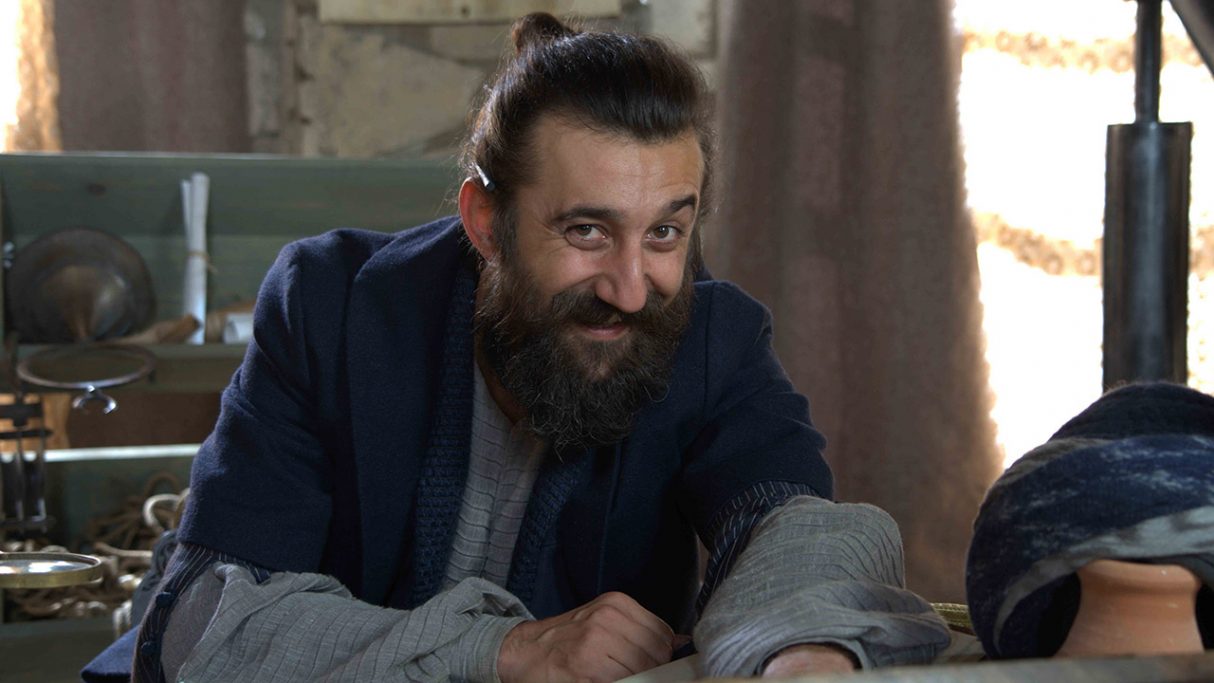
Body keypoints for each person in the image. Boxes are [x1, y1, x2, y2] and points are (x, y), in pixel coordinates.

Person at [97, 13, 949, 683]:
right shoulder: (328, 304)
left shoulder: (714, 339)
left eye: (664, 232)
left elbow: (792, 528)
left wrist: (801, 648)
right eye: (587, 231)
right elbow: (206, 624)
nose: (630, 287)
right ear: (486, 222)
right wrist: (506, 648)